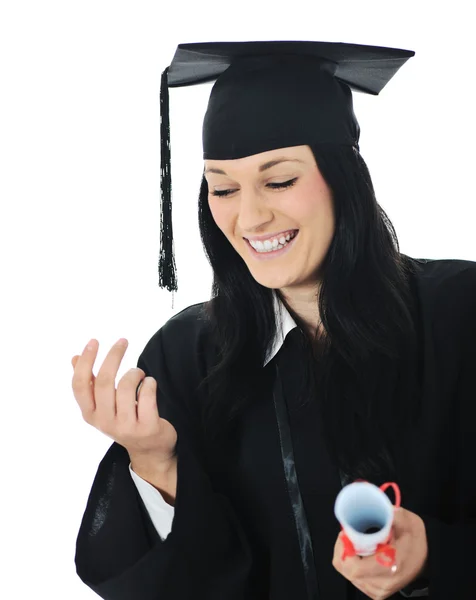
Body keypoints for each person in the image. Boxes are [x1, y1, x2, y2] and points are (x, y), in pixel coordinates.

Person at [72, 41, 476, 600]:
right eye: (223, 188)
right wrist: (156, 464)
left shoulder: (462, 315)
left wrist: (436, 555)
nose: (251, 216)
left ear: (344, 179)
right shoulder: (186, 357)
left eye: (279, 180)